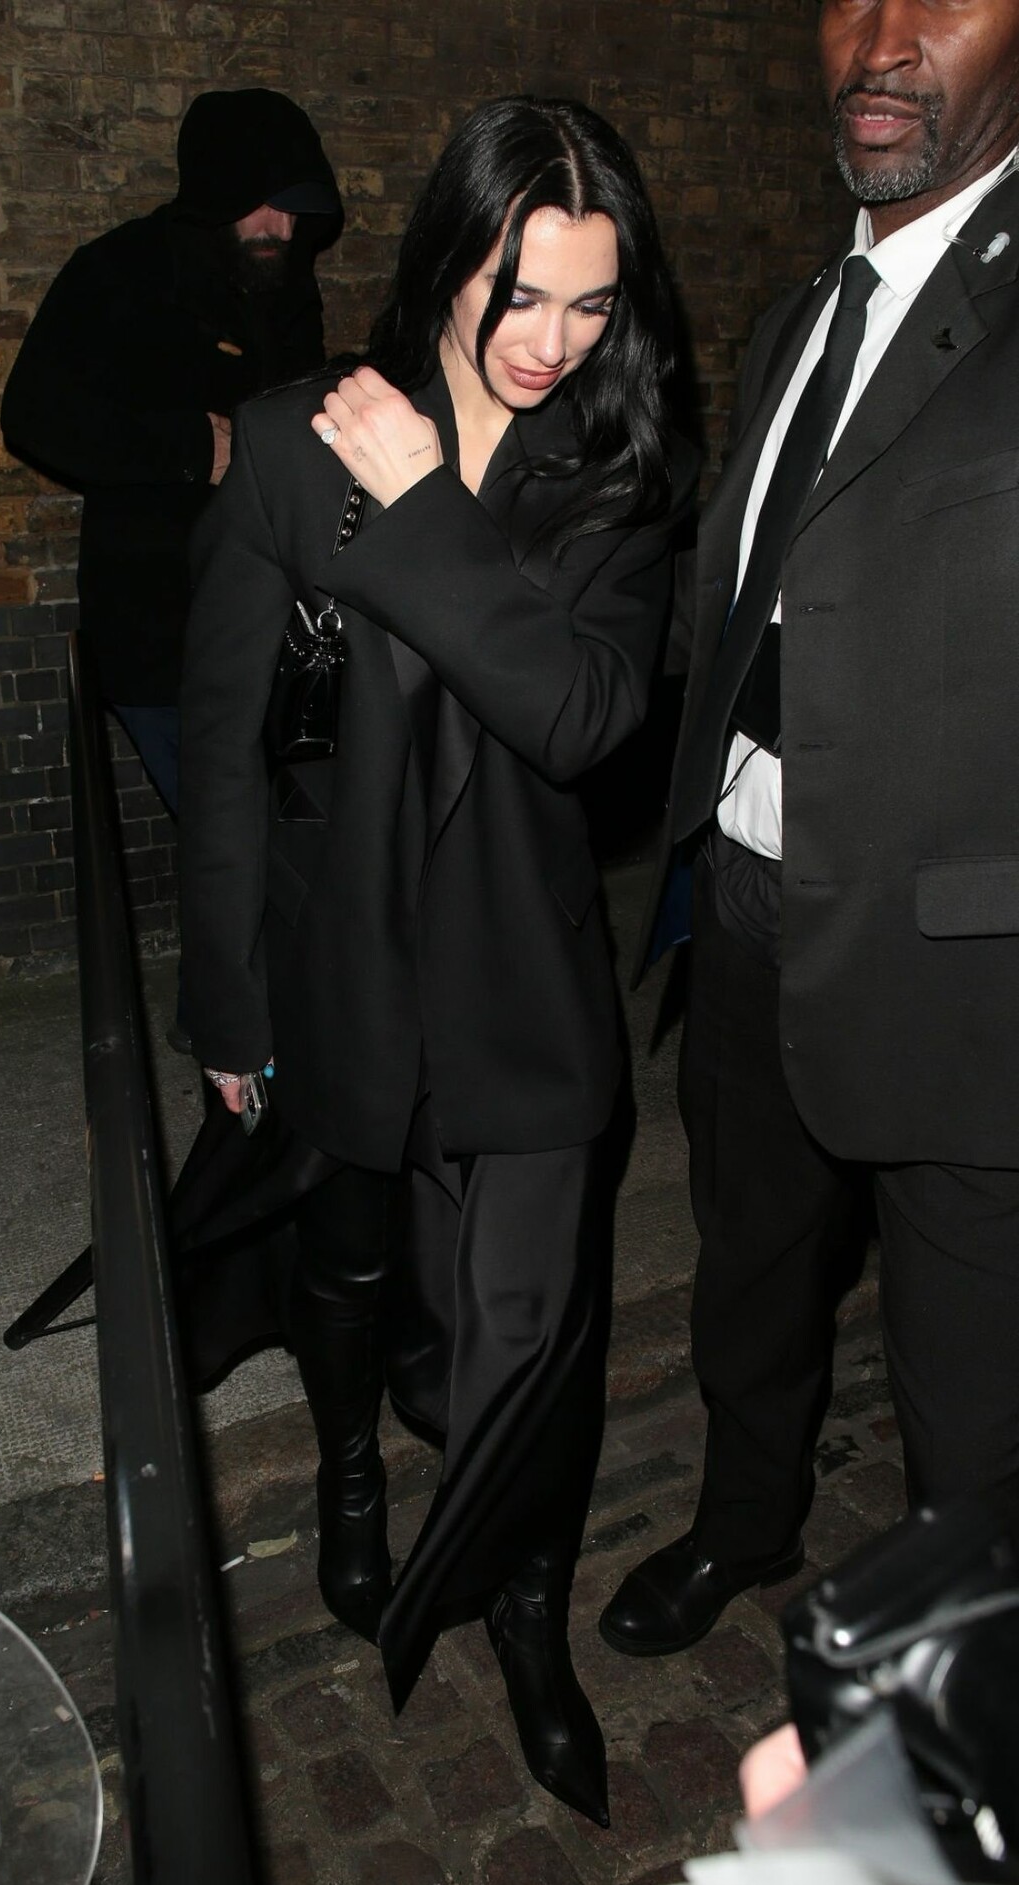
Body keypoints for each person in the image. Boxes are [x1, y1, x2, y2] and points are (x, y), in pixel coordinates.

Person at [179, 95, 694, 1827]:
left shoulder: (615, 472)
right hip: (334, 962)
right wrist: (226, 1001)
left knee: (530, 1341)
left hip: (519, 985)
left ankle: (525, 1613)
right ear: (445, 263)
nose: (555, 341)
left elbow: (580, 716)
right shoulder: (292, 437)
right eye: (518, 292)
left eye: (593, 302)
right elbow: (223, 752)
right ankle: (348, 1476)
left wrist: (421, 508)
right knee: (340, 1263)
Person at [600, 0, 1019, 1666]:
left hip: (964, 957)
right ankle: (742, 1518)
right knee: (751, 1273)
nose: (882, 41)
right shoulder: (795, 317)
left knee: (967, 1387)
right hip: (744, 902)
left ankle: (943, 1681)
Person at [1, 87, 343, 817]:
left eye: (293, 209)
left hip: (271, 627)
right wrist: (191, 446)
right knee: (235, 842)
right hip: (161, 632)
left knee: (293, 843)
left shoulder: (283, 277)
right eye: (262, 204)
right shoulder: (120, 270)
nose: (279, 227)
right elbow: (34, 413)